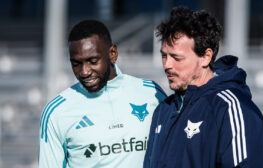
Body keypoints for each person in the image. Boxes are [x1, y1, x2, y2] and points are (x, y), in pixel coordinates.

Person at [144, 7, 263, 168]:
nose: (167, 65)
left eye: (176, 57)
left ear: (205, 57)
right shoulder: (163, 110)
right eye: (164, 56)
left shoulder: (231, 108)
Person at [39, 20, 167, 168]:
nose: (84, 72)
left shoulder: (151, 93)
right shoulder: (57, 112)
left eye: (93, 61)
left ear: (112, 54)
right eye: (76, 63)